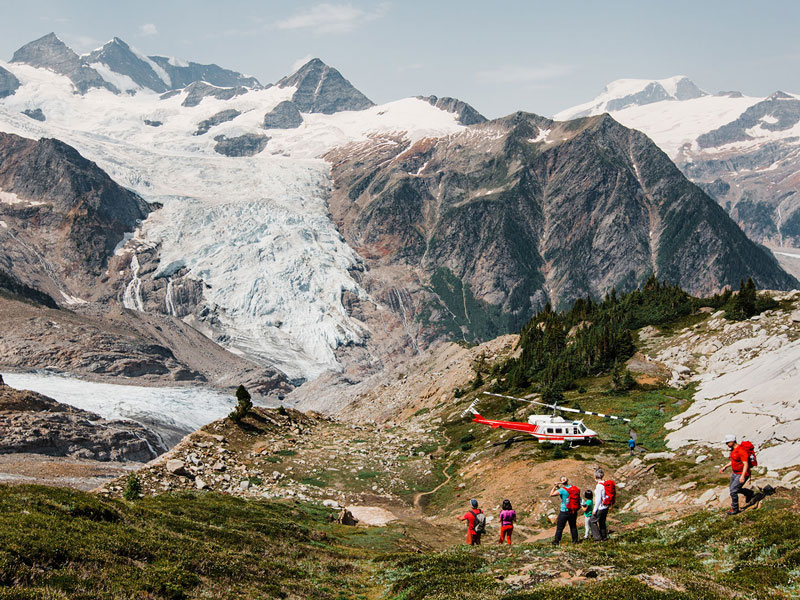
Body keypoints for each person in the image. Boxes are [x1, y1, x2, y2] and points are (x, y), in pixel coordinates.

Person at [719, 434, 755, 515]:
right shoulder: (733, 450)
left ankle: (735, 509)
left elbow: (746, 464)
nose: (726, 444)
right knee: (734, 489)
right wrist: (725, 467)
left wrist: (742, 476)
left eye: (727, 442)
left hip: (742, 473)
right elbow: (734, 461)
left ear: (732, 441)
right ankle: (749, 493)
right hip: (735, 473)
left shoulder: (741, 450)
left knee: (733, 491)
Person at [550, 476, 580, 545]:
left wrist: (555, 486)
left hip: (564, 511)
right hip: (573, 511)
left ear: (561, 482)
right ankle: (575, 541)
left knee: (560, 527)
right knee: (573, 526)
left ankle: (556, 541)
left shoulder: (562, 490)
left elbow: (551, 494)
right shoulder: (574, 488)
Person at [589, 468, 610, 541]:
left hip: (600, 507)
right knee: (602, 521)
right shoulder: (605, 483)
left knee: (592, 521)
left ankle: (598, 538)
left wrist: (594, 510)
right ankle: (604, 537)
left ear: (595, 476)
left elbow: (598, 499)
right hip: (606, 506)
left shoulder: (599, 486)